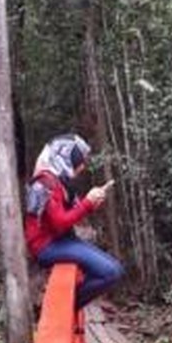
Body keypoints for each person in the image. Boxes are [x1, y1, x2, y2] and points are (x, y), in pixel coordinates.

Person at [24, 133, 124, 314]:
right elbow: (59, 223)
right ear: (65, 157)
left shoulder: (60, 180)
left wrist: (92, 204)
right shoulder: (45, 182)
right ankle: (59, 310)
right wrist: (87, 203)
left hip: (62, 240)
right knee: (110, 272)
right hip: (47, 245)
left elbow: (71, 214)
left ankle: (62, 307)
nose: (82, 166)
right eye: (79, 160)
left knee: (114, 269)